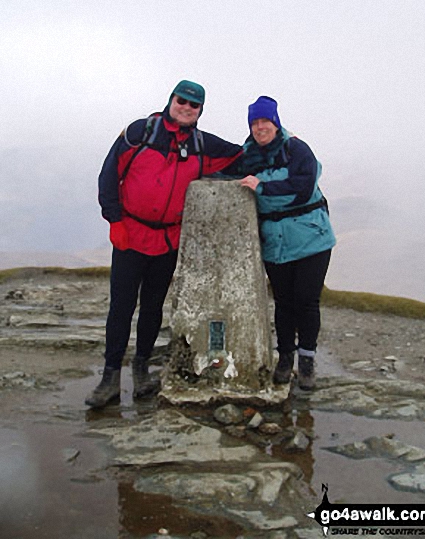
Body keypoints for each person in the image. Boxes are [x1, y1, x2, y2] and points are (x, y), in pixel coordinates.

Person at [86, 80, 242, 408]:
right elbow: (108, 176)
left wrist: (284, 140)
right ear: (171, 99)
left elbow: (244, 155)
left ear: (200, 111)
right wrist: (114, 220)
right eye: (182, 100)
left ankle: (141, 369)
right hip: (130, 234)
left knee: (153, 307)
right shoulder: (139, 133)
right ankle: (110, 377)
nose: (186, 107)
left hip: (168, 240)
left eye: (194, 105)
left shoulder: (203, 145)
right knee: (121, 307)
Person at [238, 96, 336, 390]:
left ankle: (306, 361)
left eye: (264, 121)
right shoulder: (247, 156)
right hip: (276, 243)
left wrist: (264, 188)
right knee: (283, 303)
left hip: (311, 239)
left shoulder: (297, 148)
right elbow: (226, 171)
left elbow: (303, 188)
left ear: (275, 122)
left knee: (306, 302)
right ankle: (285, 358)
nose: (259, 127)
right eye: (254, 123)